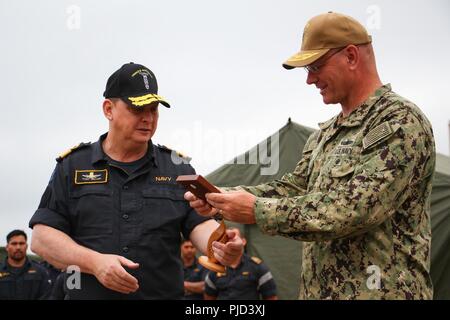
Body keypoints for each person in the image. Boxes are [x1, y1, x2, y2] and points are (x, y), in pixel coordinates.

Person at [185, 12, 435, 300]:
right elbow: (292, 189)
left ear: (351, 56)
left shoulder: (398, 121)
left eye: (316, 66)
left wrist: (257, 209)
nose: (310, 79)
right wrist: (222, 197)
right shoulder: (325, 134)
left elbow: (355, 209)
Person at [29, 62, 243, 299]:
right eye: (137, 109)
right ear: (108, 109)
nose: (148, 118)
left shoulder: (178, 168)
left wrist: (221, 246)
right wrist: (95, 263)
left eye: (153, 110)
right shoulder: (73, 166)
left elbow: (199, 224)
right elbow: (41, 239)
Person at [204, 228, 277, 300]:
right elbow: (209, 296)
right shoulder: (216, 267)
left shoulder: (256, 266)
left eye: (234, 238)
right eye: (227, 238)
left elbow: (271, 296)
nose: (230, 242)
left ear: (243, 241)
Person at [0, 230, 51, 299]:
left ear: (26, 246)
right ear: (7, 247)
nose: (18, 247)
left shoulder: (40, 272)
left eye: (21, 243)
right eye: (14, 244)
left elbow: (46, 296)